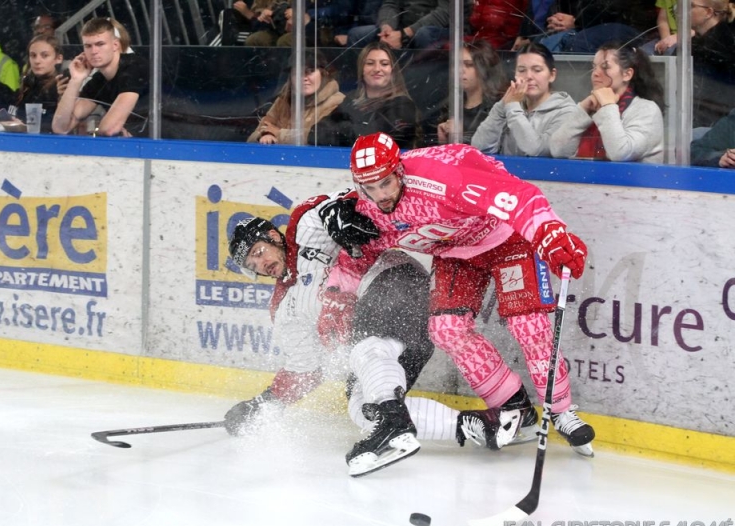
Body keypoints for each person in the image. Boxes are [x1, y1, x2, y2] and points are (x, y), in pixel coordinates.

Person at [324, 132, 597, 457]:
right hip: (455, 254)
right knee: (446, 329)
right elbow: (359, 254)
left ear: (399, 171)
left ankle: (562, 411)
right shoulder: (365, 210)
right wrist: (338, 297)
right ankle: (515, 407)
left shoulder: (441, 179)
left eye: (386, 183)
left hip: (507, 240)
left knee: (528, 327)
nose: (380, 195)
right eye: (370, 187)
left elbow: (519, 196)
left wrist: (550, 232)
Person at [224, 197, 525, 477]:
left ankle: (394, 424)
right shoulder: (283, 308)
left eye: (258, 252)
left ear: (273, 236)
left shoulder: (304, 231)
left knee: (366, 347)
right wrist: (263, 403)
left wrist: (337, 211)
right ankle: (480, 425)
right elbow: (306, 365)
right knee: (364, 409)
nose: (261, 265)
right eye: (252, 265)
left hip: (399, 284)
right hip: (396, 343)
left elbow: (342, 204)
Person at [550, 42, 665, 163]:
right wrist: (582, 110)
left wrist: (608, 106)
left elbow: (620, 153)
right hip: (586, 174)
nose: (595, 73)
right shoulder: (593, 107)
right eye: (594, 67)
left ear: (627, 74)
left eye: (605, 67)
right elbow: (558, 150)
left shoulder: (646, 109)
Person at [471, 43, 575, 157]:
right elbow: (479, 149)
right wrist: (501, 107)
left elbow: (537, 151)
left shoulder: (567, 112)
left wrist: (512, 107)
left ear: (552, 75)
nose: (528, 76)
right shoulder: (511, 105)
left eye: (537, 70)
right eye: (521, 70)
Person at [52, 18, 149, 137]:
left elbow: (110, 129)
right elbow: (60, 127)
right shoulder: (99, 79)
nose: (94, 51)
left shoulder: (134, 67)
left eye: (100, 44)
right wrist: (76, 80)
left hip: (164, 138)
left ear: (115, 45)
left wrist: (96, 132)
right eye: (88, 46)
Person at [315, 42, 421, 148]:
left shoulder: (403, 105)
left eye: (384, 64)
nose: (377, 69)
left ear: (392, 71)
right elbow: (316, 133)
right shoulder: (351, 100)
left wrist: (343, 129)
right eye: (370, 63)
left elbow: (378, 142)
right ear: (362, 69)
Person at [247, 51, 344, 145]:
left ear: (324, 74)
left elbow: (321, 138)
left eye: (310, 71)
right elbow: (255, 135)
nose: (304, 78)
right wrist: (265, 135)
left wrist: (278, 134)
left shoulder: (337, 102)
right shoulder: (283, 100)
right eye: (297, 73)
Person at [435, 40, 507, 145]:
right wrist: (443, 141)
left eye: (469, 65)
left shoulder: (498, 108)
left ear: (485, 69)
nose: (460, 70)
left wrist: (463, 137)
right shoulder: (450, 105)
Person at [689, 0, 735, 128]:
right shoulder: (694, 43)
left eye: (691, 6)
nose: (682, 12)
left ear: (708, 12)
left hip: (717, 123)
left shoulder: (726, 44)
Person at [16, 35, 68, 134]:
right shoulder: (27, 86)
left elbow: (61, 125)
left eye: (45, 56)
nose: (37, 61)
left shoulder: (62, 87)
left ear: (58, 58)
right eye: (33, 55)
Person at [345, 0, 447, 48]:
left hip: (437, 30)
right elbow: (390, 4)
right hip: (401, 28)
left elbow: (445, 13)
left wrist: (404, 34)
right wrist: (387, 27)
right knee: (357, 34)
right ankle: (356, 84)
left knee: (423, 34)